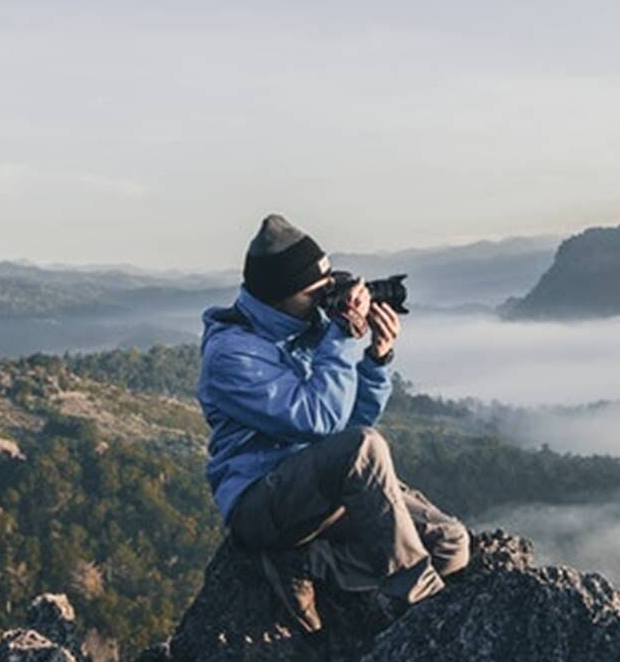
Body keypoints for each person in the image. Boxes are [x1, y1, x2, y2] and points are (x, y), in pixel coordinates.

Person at [197, 213, 471, 634]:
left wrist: (377, 360)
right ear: (279, 295)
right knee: (365, 446)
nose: (327, 301)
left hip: (319, 492)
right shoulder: (232, 354)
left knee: (450, 544)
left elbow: (350, 424)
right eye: (317, 293)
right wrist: (340, 338)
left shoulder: (308, 328)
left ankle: (308, 564)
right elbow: (320, 422)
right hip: (261, 501)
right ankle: (416, 602)